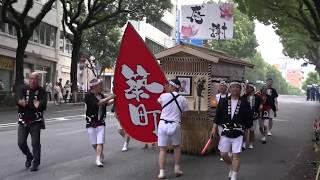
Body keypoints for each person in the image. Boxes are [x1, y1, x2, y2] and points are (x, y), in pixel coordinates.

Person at [210, 80, 251, 180]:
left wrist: (247, 135)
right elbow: (217, 117)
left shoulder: (245, 103)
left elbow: (248, 121)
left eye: (237, 87)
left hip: (239, 132)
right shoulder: (223, 102)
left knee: (236, 155)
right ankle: (231, 167)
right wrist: (214, 129)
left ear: (240, 89)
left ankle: (234, 176)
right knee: (223, 154)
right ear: (230, 88)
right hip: (225, 131)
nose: (235, 89)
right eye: (233, 87)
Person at [157, 79, 189, 179]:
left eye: (169, 86)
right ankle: (177, 169)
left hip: (163, 124)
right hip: (175, 124)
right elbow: (185, 113)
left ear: (172, 86)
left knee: (162, 150)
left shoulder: (163, 96)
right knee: (177, 147)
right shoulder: (183, 99)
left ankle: (162, 173)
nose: (168, 87)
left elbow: (158, 102)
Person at [16, 72, 47, 171]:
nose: (32, 81)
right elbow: (17, 98)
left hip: (35, 121)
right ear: (28, 79)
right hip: (23, 120)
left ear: (38, 80)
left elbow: (44, 103)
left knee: (35, 143)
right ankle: (29, 156)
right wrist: (19, 101)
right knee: (21, 142)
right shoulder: (23, 88)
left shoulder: (41, 90)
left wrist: (40, 103)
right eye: (30, 79)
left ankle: (36, 163)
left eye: (34, 79)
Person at [85, 78, 115, 167]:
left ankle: (98, 159)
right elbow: (99, 103)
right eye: (100, 85)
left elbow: (106, 103)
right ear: (94, 87)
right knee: (94, 143)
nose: (101, 87)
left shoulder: (101, 95)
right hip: (91, 122)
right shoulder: (88, 96)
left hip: (101, 122)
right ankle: (100, 153)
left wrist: (114, 100)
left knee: (100, 142)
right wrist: (111, 97)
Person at [242, 83, 262, 149]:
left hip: (254, 116)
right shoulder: (244, 97)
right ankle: (244, 143)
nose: (247, 89)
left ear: (253, 89)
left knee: (252, 130)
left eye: (249, 88)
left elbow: (260, 105)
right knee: (245, 130)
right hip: (245, 116)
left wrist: (260, 108)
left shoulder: (258, 97)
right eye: (247, 88)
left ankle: (251, 143)